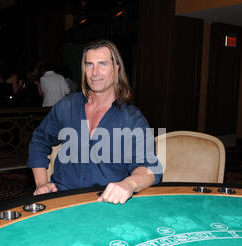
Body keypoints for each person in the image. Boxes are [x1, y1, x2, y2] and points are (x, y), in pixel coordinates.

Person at [28, 39, 162, 205]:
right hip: (62, 200)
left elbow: (149, 168)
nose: (95, 72)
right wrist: (41, 183)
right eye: (89, 64)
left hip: (106, 203)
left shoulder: (133, 119)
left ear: (116, 68)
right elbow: (39, 141)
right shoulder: (66, 106)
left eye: (102, 64)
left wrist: (129, 184)